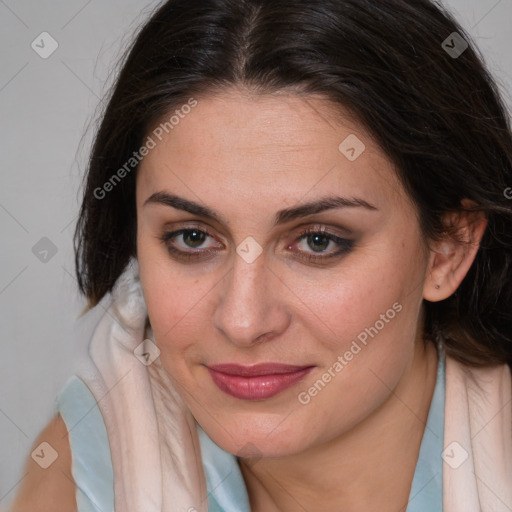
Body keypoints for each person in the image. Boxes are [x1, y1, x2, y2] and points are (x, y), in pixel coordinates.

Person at [9, 0, 512, 511]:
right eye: (192, 238)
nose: (243, 321)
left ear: (448, 248)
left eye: (318, 241)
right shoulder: (82, 480)